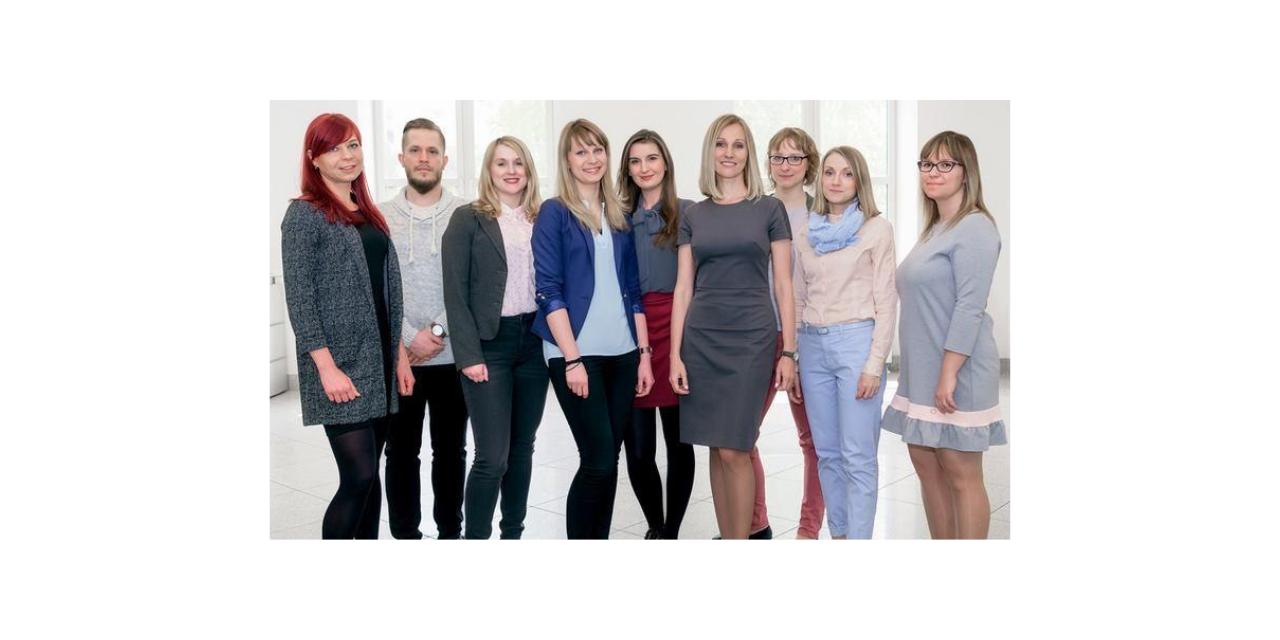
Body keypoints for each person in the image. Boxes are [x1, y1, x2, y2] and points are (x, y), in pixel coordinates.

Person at [281, 113, 415, 539]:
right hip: (340, 366)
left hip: (379, 363)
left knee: (371, 478)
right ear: (313, 158)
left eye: (353, 145)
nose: (346, 156)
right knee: (358, 477)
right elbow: (300, 299)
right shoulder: (303, 214)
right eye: (334, 148)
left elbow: (386, 293)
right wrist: (326, 368)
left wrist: (399, 357)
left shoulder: (368, 213)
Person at [670, 114, 798, 540]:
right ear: (710, 152)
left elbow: (784, 284)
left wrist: (789, 351)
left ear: (749, 153)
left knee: (735, 447)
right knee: (714, 445)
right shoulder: (694, 213)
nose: (729, 153)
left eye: (738, 145)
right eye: (721, 144)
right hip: (701, 340)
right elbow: (683, 287)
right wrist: (674, 355)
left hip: (752, 340)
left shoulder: (769, 209)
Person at [532, 119, 654, 539]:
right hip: (575, 355)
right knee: (597, 461)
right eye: (581, 151)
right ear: (567, 160)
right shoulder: (555, 212)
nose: (591, 159)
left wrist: (643, 355)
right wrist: (572, 359)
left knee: (609, 460)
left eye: (597, 149)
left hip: (623, 354)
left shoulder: (619, 214)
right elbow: (548, 291)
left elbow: (633, 291)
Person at [882, 130, 1007, 539]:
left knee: (959, 471)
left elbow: (970, 306)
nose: (933, 172)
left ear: (965, 172)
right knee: (926, 463)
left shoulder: (976, 228)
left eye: (945, 164)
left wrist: (949, 372)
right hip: (923, 370)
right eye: (927, 164)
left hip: (957, 369)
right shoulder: (936, 229)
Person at [442, 136, 549, 540]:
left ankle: (512, 534)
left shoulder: (543, 217)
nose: (511, 170)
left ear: (529, 169)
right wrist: (468, 355)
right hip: (490, 345)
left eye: (518, 162)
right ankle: (476, 540)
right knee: (492, 456)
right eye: (501, 163)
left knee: (522, 447)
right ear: (489, 170)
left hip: (533, 342)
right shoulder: (467, 219)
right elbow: (455, 293)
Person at [794, 145, 898, 539]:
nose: (836, 181)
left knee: (858, 456)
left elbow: (886, 301)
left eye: (847, 173)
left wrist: (875, 364)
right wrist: (796, 357)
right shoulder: (807, 232)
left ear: (860, 181)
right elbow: (799, 299)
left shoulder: (876, 229)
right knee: (827, 454)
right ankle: (839, 535)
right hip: (812, 347)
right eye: (829, 172)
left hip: (856, 344)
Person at [380, 118, 470, 540]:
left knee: (451, 452)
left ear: (444, 160)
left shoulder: (466, 214)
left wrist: (435, 331)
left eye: (432, 151)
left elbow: (471, 282)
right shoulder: (379, 217)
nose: (423, 158)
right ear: (401, 158)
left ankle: (451, 533)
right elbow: (376, 288)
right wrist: (407, 337)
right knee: (400, 454)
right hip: (401, 360)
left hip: (452, 356)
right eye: (415, 150)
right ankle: (405, 536)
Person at [617, 129, 695, 539]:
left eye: (651, 158)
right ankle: (654, 525)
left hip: (678, 329)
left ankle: (671, 533)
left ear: (665, 163)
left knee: (679, 444)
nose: (644, 167)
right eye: (635, 160)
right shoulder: (615, 219)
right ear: (627, 169)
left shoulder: (688, 213)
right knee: (639, 449)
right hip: (631, 330)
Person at [758, 126, 826, 540]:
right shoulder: (755, 210)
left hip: (805, 339)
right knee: (742, 435)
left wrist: (795, 349)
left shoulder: (825, 215)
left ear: (808, 164)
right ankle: (755, 524)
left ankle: (808, 530)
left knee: (812, 441)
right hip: (759, 335)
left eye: (795, 157)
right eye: (778, 157)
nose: (786, 165)